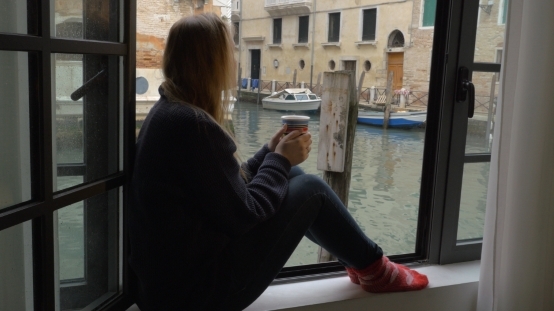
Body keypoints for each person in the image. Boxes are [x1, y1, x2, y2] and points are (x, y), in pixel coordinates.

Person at [127, 13, 428, 311]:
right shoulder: (193, 125)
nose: (234, 61)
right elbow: (245, 213)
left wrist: (269, 152)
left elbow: (222, 190)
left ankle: (363, 262)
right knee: (311, 188)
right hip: (198, 295)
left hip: (165, 289)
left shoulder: (168, 113)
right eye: (230, 53)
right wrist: (280, 159)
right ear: (212, 63)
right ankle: (376, 269)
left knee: (293, 173)